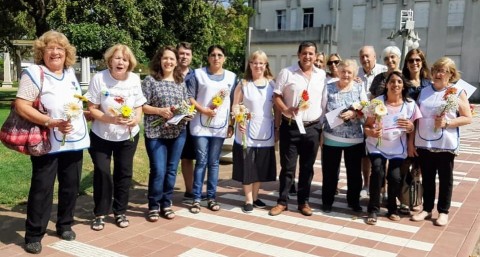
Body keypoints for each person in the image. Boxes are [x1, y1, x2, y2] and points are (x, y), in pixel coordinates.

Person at [15, 31, 90, 254]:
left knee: (71, 185)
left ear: (66, 53)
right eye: (50, 48)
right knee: (42, 188)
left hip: (74, 139)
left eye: (59, 48)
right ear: (42, 52)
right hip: (47, 140)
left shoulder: (70, 73)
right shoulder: (35, 72)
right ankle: (34, 234)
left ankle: (64, 224)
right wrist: (50, 121)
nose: (55, 52)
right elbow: (22, 105)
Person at [86, 44, 146, 231]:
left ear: (130, 63)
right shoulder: (99, 78)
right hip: (101, 135)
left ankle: (120, 211)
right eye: (118, 58)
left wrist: (136, 119)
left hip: (127, 136)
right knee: (103, 173)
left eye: (125, 59)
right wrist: (110, 119)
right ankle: (100, 213)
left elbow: (138, 105)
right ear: (110, 60)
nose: (121, 62)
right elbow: (92, 108)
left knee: (123, 173)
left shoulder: (134, 79)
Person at [411, 57, 472, 226]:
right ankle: (427, 208)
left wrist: (448, 123)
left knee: (445, 179)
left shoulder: (457, 92)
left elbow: (467, 118)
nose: (437, 74)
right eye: (435, 70)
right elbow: (416, 116)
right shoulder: (424, 91)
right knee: (428, 178)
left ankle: (443, 211)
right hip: (424, 142)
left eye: (442, 71)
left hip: (445, 144)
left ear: (450, 74)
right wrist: (411, 141)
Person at [269, 41, 326, 216]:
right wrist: (285, 109)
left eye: (311, 53)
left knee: (307, 168)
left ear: (316, 56)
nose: (307, 57)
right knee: (288, 167)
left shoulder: (322, 75)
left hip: (313, 127)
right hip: (290, 127)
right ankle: (282, 201)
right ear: (298, 54)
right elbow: (276, 96)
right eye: (304, 53)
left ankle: (303, 202)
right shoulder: (287, 73)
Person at [364, 71, 421, 225]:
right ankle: (373, 209)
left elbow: (413, 127)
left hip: (398, 147)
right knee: (377, 171)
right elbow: (367, 126)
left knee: (395, 177)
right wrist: (371, 132)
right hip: (377, 145)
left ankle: (392, 208)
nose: (396, 85)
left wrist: (409, 127)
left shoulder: (410, 105)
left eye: (399, 82)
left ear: (403, 85)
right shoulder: (376, 102)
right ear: (387, 84)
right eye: (392, 81)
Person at [141, 45, 189, 221]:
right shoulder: (150, 81)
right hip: (155, 133)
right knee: (159, 170)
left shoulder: (180, 82)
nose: (168, 61)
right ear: (159, 61)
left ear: (176, 62)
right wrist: (160, 111)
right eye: (165, 58)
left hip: (177, 132)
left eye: (172, 59)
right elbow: (142, 106)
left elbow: (185, 105)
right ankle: (154, 205)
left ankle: (166, 203)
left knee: (171, 170)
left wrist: (187, 113)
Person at [187, 45, 236, 214]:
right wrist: (203, 110)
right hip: (200, 124)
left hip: (220, 125)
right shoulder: (198, 74)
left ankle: (212, 197)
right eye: (213, 55)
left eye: (220, 55)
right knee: (201, 161)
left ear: (224, 58)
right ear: (208, 57)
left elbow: (233, 103)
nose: (216, 58)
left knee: (214, 163)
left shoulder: (231, 77)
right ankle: (196, 198)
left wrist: (231, 123)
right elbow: (190, 97)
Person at [231, 50, 280, 213]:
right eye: (255, 62)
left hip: (266, 130)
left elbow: (277, 108)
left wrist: (277, 128)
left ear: (266, 65)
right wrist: (239, 120)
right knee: (248, 165)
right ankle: (248, 199)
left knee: (260, 165)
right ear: (250, 64)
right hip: (246, 129)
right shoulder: (243, 83)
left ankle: (256, 195)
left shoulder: (272, 84)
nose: (258, 65)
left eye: (261, 63)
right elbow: (235, 105)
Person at [321, 59, 367, 213]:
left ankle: (353, 201)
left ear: (354, 74)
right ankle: (327, 201)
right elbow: (322, 110)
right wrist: (320, 132)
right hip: (332, 137)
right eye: (343, 71)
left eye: (349, 72)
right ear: (338, 72)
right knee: (330, 172)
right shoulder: (328, 87)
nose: (346, 74)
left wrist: (355, 112)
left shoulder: (360, 87)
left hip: (354, 139)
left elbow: (366, 109)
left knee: (354, 172)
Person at [398, 48, 432, 214]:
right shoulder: (402, 83)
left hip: (425, 133)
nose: (414, 63)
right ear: (406, 63)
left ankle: (417, 199)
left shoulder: (429, 84)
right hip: (405, 132)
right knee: (403, 168)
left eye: (418, 60)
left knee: (421, 169)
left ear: (422, 62)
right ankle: (404, 199)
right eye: (411, 60)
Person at [357, 46, 388, 199]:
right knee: (364, 155)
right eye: (362, 57)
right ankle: (366, 184)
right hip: (362, 120)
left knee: (382, 154)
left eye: (368, 56)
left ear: (375, 56)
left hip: (381, 120)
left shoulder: (384, 71)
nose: (365, 59)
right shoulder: (356, 73)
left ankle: (383, 187)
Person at [177, 42, 196, 202]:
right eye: (181, 53)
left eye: (187, 54)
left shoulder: (196, 75)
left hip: (190, 122)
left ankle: (190, 190)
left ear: (191, 57)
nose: (184, 56)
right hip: (169, 121)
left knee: (187, 157)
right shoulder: (168, 72)